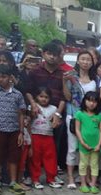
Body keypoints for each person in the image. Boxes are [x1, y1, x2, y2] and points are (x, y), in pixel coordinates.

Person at [22, 42, 66, 176]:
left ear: (60, 57)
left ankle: (51, 175)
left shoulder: (63, 74)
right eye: (49, 54)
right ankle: (31, 175)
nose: (52, 57)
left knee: (53, 147)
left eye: (56, 55)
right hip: (36, 113)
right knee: (32, 145)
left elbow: (64, 97)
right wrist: (33, 105)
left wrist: (58, 114)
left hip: (54, 114)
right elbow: (28, 91)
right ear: (43, 54)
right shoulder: (35, 72)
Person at [0, 64, 28, 195]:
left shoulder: (17, 94)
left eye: (3, 77)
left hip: (14, 130)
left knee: (13, 157)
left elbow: (21, 113)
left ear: (10, 77)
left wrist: (21, 132)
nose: (1, 79)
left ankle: (12, 181)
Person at [62, 51, 97, 189]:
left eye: (88, 59)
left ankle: (85, 176)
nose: (86, 62)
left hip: (90, 117)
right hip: (74, 115)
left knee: (87, 148)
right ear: (77, 61)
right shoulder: (71, 77)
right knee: (72, 147)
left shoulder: (95, 78)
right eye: (83, 59)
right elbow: (67, 96)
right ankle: (70, 177)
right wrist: (64, 82)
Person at [27, 87, 59, 189]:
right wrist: (32, 111)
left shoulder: (54, 108)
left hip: (48, 136)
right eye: (41, 96)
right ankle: (35, 179)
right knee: (35, 158)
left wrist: (56, 122)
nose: (43, 99)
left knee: (50, 158)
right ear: (36, 96)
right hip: (35, 135)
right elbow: (29, 118)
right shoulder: (32, 106)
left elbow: (57, 122)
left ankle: (51, 179)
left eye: (46, 97)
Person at [73, 91, 101, 194]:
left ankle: (93, 184)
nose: (91, 103)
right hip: (83, 145)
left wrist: (99, 144)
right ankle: (83, 184)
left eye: (94, 101)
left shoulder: (99, 115)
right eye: (89, 100)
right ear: (84, 101)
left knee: (94, 164)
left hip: (96, 145)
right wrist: (82, 142)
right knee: (83, 164)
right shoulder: (79, 114)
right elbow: (77, 130)